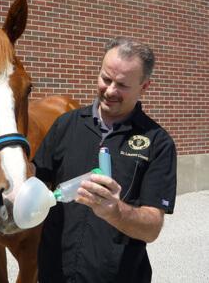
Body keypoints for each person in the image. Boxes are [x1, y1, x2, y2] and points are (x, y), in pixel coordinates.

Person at [32, 37, 177, 282]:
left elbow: (152, 228)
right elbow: (34, 178)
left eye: (122, 85)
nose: (110, 91)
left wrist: (115, 211)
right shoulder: (65, 125)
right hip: (53, 273)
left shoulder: (157, 142)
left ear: (144, 87)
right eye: (106, 79)